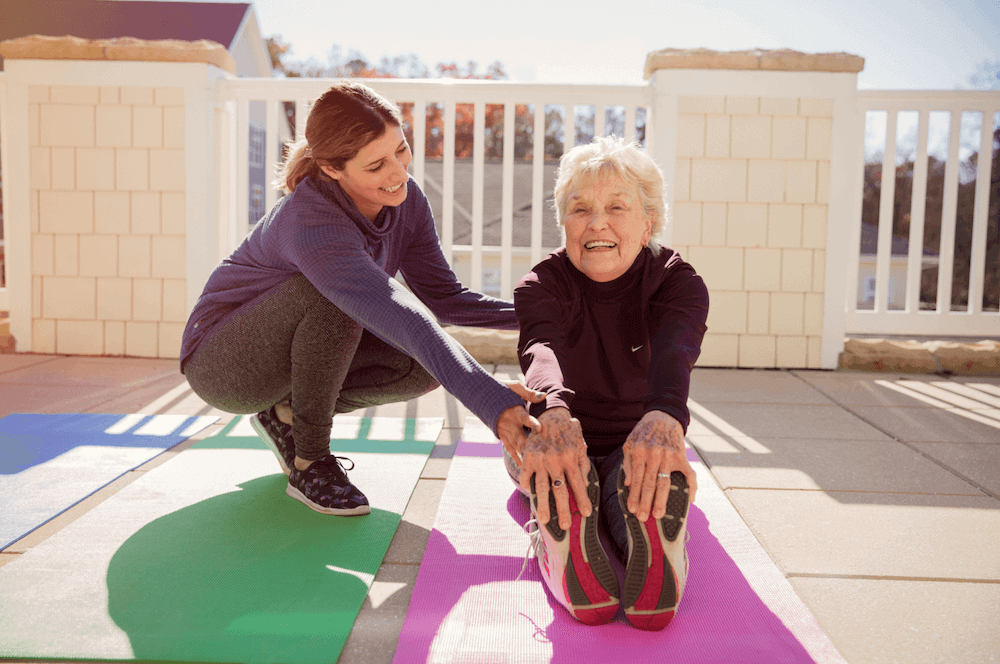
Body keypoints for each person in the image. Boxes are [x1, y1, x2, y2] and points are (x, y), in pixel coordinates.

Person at [181, 81, 541, 516]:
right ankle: (310, 461)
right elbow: (402, 314)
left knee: (418, 367)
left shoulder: (404, 202)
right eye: (376, 166)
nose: (399, 173)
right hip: (222, 363)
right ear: (334, 169)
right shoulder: (312, 221)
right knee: (331, 297)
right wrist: (493, 402)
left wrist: (545, 314)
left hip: (285, 351)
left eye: (401, 150)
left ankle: (286, 414)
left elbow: (444, 300)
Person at [509, 136, 709, 630]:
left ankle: (575, 525)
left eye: (616, 207)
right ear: (565, 225)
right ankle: (637, 519)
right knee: (552, 456)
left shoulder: (675, 281)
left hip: (634, 443)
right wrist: (553, 414)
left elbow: (673, 352)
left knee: (557, 473)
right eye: (580, 209)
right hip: (571, 437)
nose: (596, 222)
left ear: (648, 223)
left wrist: (662, 418)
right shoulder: (542, 284)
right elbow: (543, 348)